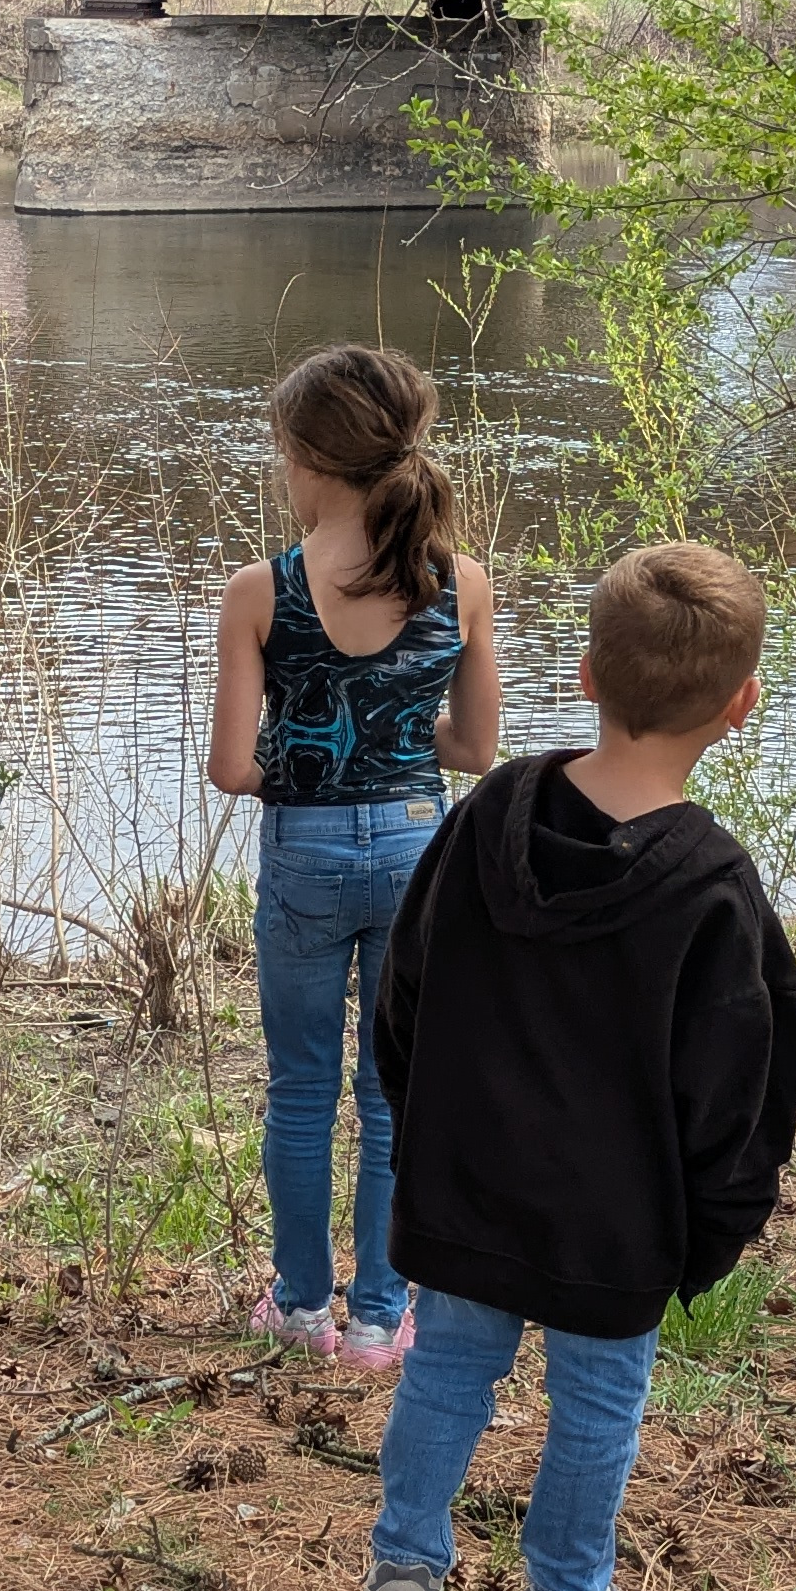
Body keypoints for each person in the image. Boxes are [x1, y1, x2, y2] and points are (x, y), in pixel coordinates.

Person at [355, 542, 796, 1591]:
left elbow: (402, 991)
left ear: (586, 674)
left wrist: (424, 1134)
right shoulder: (711, 884)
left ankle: (402, 1578)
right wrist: (705, 1233)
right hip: (614, 1220)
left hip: (465, 1184)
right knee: (598, 1399)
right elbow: (744, 1084)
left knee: (447, 1366)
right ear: (742, 704)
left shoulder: (486, 816)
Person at [206, 344, 501, 1372]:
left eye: (283, 454)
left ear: (308, 460)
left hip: (305, 854)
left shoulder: (262, 590)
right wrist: (391, 745)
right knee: (389, 1094)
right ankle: (379, 1319)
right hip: (419, 849)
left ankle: (299, 1307)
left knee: (299, 1087)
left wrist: (315, 757)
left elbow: (231, 769)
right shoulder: (458, 583)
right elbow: (474, 751)